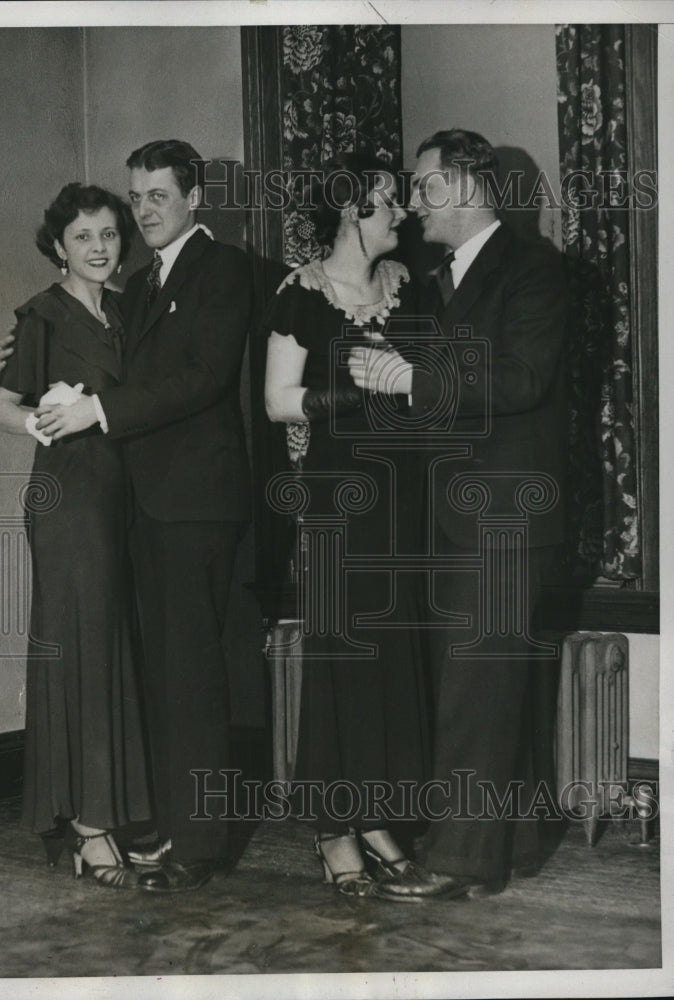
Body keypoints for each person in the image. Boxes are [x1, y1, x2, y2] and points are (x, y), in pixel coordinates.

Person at [349, 129, 568, 897]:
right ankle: (519, 845)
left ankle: (458, 863)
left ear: (467, 191)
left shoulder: (536, 269)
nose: (412, 202)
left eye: (424, 186)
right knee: (493, 681)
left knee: (476, 688)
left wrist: (412, 377)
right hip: (463, 514)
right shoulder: (443, 278)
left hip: (504, 514)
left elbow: (521, 380)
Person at [29, 140, 253, 891]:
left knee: (190, 674)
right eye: (139, 198)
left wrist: (99, 408)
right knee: (160, 672)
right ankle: (169, 827)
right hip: (144, 505)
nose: (144, 210)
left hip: (196, 503)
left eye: (159, 195)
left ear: (194, 197)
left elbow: (202, 378)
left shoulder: (223, 269)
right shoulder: (142, 282)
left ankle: (199, 845)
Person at [0, 183, 170, 892]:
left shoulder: (126, 310)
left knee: (116, 648)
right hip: (69, 499)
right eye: (83, 238)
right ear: (58, 247)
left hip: (123, 497)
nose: (99, 248)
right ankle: (89, 828)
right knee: (84, 649)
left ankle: (113, 809)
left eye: (107, 235)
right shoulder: (43, 315)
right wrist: (45, 419)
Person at [264, 153, 433, 900]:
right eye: (388, 202)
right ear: (351, 213)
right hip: (338, 497)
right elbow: (277, 401)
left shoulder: (409, 287)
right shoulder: (300, 293)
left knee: (393, 654)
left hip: (407, 496)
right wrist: (351, 394)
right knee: (343, 652)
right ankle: (333, 826)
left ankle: (374, 815)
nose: (401, 213)